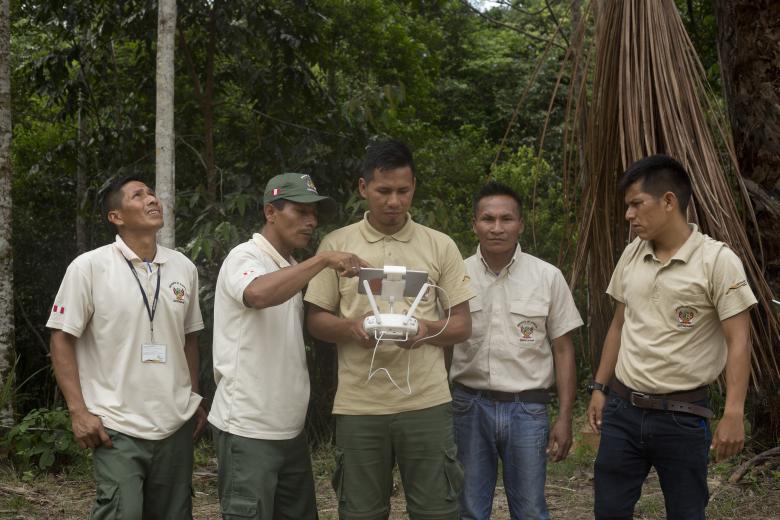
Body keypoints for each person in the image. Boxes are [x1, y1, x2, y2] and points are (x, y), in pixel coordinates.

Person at [304, 139, 474, 520]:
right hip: (359, 404)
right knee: (361, 512)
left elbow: (462, 324)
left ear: (414, 187)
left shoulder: (440, 245)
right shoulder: (337, 244)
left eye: (403, 191)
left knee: (436, 511)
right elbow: (315, 320)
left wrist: (425, 330)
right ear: (364, 188)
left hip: (426, 402)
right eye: (383, 191)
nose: (394, 201)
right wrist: (352, 327)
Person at [586, 155, 757, 520]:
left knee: (686, 512)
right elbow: (619, 324)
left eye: (636, 204)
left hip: (682, 415)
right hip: (622, 411)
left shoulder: (717, 261)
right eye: (627, 206)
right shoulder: (632, 253)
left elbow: (739, 340)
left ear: (668, 201)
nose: (629, 215)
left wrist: (733, 413)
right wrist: (599, 387)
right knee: (610, 511)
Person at [208, 173, 366, 520]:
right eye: (300, 212)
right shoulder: (244, 256)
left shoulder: (291, 266)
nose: (311, 222)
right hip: (247, 427)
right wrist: (323, 260)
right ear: (270, 212)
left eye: (315, 215)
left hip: (289, 429)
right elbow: (259, 294)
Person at [48, 176, 207, 520]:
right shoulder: (89, 267)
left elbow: (189, 338)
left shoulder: (183, 267)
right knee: (123, 511)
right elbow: (61, 338)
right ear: (116, 217)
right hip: (116, 424)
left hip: (174, 423)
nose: (152, 199)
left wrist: (193, 397)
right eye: (139, 195)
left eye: (152, 193)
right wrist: (78, 411)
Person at [449, 181, 582, 520]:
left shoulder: (547, 277)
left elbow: (563, 350)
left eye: (506, 219)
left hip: (528, 409)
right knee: (469, 509)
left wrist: (564, 418)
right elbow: (440, 346)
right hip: (469, 406)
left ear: (521, 224)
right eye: (487, 219)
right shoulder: (455, 276)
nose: (497, 228)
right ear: (474, 224)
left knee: (531, 509)